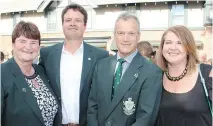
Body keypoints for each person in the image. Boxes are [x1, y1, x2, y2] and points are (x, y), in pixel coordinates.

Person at [39, 3, 109, 126]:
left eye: (78, 20)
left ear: (85, 26)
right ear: (62, 25)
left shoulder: (100, 56)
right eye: (68, 20)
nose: (72, 23)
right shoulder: (47, 54)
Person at [87, 12, 163, 126]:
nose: (125, 39)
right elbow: (93, 106)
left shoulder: (152, 72)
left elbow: (145, 118)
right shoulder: (101, 66)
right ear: (114, 35)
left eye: (131, 33)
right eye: (121, 33)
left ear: (138, 36)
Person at [1, 21, 60, 126]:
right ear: (13, 44)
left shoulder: (41, 71)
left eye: (33, 42)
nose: (28, 47)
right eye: (22, 41)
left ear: (38, 46)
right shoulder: (2, 74)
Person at [155, 25, 212, 126]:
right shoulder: (155, 77)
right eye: (168, 42)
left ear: (188, 48)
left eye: (179, 43)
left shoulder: (207, 74)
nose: (173, 48)